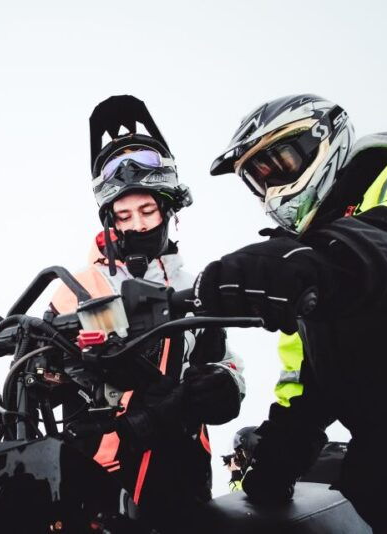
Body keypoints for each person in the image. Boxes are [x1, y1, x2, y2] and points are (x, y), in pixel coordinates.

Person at [198, 93, 387, 531]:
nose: (271, 184)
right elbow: (310, 379)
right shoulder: (313, 269)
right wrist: (283, 448)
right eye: (258, 178)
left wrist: (317, 258)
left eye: (279, 162)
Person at [52, 95, 245, 532]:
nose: (137, 224)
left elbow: (224, 360)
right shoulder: (79, 286)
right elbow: (49, 364)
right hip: (100, 467)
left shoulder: (196, 287)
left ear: (168, 209)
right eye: (123, 215)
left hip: (182, 467)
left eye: (146, 210)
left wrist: (227, 383)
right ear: (109, 220)